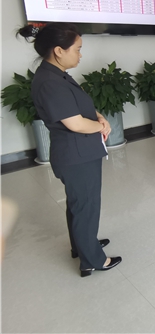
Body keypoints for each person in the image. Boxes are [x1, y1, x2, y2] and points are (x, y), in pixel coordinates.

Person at [18, 23, 121, 277]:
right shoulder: (50, 82)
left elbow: (80, 106)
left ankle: (82, 246)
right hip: (76, 156)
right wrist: (100, 126)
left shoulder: (58, 74)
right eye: (77, 49)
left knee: (79, 204)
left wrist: (99, 117)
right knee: (86, 206)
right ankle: (92, 260)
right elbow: (75, 123)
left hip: (80, 151)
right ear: (58, 51)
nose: (80, 54)